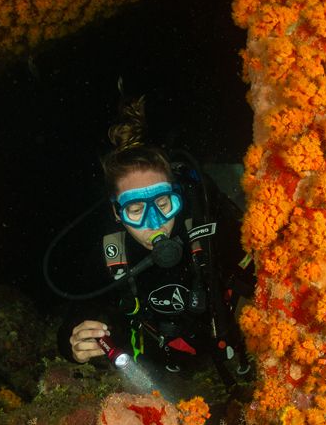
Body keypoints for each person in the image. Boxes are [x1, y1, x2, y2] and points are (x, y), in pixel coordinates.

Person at [54, 97, 253, 385]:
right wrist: (73, 346)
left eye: (163, 203)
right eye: (135, 210)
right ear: (117, 213)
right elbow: (80, 315)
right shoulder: (113, 251)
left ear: (178, 197)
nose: (154, 222)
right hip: (162, 369)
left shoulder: (205, 226)